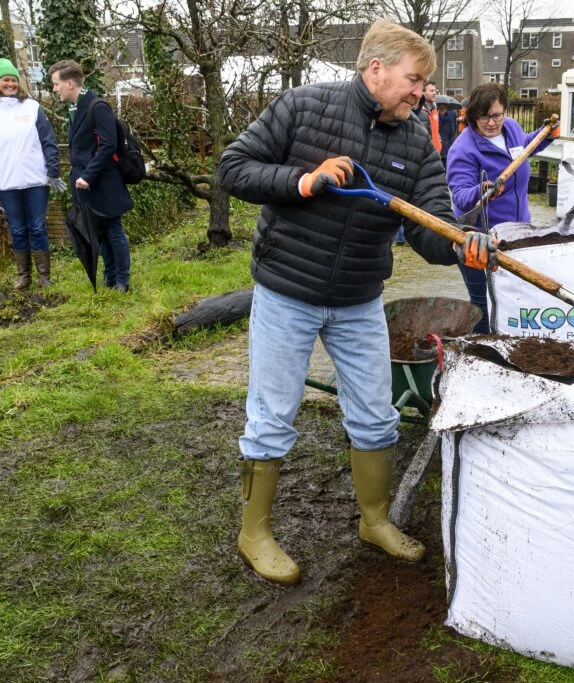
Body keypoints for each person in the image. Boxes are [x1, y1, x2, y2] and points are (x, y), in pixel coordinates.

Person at [217, 20, 498, 585]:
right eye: (415, 80)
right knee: (272, 418)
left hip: (358, 299)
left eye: (425, 84)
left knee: (375, 417)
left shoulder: (418, 138)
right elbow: (233, 168)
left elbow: (430, 221)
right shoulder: (304, 106)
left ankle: (374, 520)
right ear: (377, 70)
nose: (422, 93)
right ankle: (255, 533)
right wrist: (302, 180)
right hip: (287, 290)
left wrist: (456, 243)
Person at [445, 83, 557, 333]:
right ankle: (483, 354)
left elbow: (525, 148)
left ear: (505, 111)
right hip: (479, 241)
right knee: (483, 306)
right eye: (483, 116)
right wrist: (483, 192)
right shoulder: (463, 149)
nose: (492, 122)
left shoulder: (512, 129)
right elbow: (461, 196)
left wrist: (545, 134)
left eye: (497, 115)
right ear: (472, 115)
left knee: (513, 300)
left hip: (517, 235)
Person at [49, 60, 133, 292]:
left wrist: (88, 175)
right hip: (86, 184)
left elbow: (108, 145)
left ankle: (122, 281)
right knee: (100, 232)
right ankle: (110, 277)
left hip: (103, 181)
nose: (54, 89)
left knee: (113, 230)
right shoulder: (76, 108)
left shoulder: (98, 107)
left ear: (68, 83)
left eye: (56, 84)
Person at [0, 58, 64, 290]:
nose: (10, 84)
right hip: (6, 183)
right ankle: (24, 276)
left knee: (37, 226)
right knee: (17, 228)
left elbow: (49, 141)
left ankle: (44, 276)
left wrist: (53, 171)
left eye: (13, 80)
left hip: (37, 180)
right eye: (5, 79)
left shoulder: (32, 107)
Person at [415, 80, 442, 155]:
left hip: (436, 152)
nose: (434, 93)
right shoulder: (418, 110)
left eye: (435, 91)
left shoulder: (435, 109)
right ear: (423, 92)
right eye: (431, 91)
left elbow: (435, 130)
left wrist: (439, 142)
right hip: (425, 154)